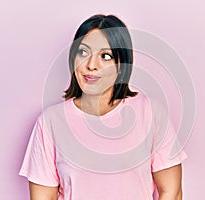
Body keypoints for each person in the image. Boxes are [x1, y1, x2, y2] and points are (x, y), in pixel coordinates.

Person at [19, 14, 187, 200]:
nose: (91, 65)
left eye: (105, 56)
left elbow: (171, 192)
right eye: (83, 52)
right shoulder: (50, 122)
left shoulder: (150, 113)